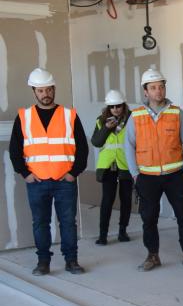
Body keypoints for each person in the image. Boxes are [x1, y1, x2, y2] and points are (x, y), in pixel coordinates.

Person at [9, 68, 88, 275]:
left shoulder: (69, 115)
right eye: (41, 90)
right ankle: (43, 262)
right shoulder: (24, 117)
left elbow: (82, 147)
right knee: (41, 223)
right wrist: (25, 174)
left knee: (68, 223)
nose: (46, 94)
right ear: (34, 92)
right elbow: (15, 150)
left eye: (49, 89)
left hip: (65, 181)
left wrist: (74, 173)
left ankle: (71, 261)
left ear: (54, 89)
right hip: (37, 182)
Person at [125, 68, 183, 272]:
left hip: (175, 175)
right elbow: (129, 146)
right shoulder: (135, 116)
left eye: (161, 86)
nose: (158, 91)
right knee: (148, 218)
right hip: (147, 177)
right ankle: (152, 255)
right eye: (153, 88)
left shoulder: (176, 113)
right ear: (145, 92)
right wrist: (135, 174)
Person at [91, 89, 133, 245]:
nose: (115, 109)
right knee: (107, 200)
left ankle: (123, 232)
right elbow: (96, 142)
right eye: (112, 106)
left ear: (123, 105)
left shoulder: (132, 120)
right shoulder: (101, 121)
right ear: (108, 107)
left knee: (126, 200)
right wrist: (107, 128)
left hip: (126, 165)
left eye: (118, 106)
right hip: (108, 166)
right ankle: (103, 235)